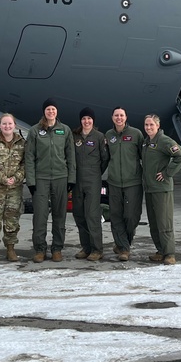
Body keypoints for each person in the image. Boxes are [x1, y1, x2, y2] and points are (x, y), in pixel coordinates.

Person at [24, 98, 75, 262]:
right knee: (40, 216)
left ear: (57, 111)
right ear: (44, 112)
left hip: (61, 178)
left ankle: (57, 248)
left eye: (53, 109)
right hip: (41, 178)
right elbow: (29, 157)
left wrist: (71, 179)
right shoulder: (35, 131)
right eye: (48, 109)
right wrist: (30, 181)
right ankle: (40, 249)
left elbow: (71, 157)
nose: (51, 112)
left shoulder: (65, 130)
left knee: (60, 216)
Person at [141, 114, 181, 265]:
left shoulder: (164, 141)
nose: (148, 127)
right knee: (154, 223)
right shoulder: (146, 142)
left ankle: (169, 253)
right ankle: (160, 250)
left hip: (162, 188)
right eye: (146, 125)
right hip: (150, 188)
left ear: (158, 126)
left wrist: (167, 173)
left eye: (151, 125)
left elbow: (180, 156)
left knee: (164, 223)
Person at [0, 113, 26, 262]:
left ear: (14, 125)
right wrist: (3, 179)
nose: (7, 126)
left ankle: (10, 248)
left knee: (12, 221)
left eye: (10, 124)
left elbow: (25, 164)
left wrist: (16, 178)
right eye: (4, 124)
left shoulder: (22, 143)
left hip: (14, 189)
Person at [104, 106, 144, 262]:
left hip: (132, 181)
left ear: (126, 117)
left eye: (121, 115)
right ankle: (124, 248)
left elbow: (144, 156)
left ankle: (122, 242)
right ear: (112, 117)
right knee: (116, 216)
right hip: (114, 181)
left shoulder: (136, 134)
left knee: (131, 215)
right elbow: (106, 157)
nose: (118, 118)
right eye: (116, 115)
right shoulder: (109, 135)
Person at [71, 107, 109, 261]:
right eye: (84, 119)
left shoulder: (100, 137)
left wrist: (95, 173)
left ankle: (97, 249)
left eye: (89, 119)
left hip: (93, 180)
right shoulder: (75, 137)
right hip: (77, 180)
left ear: (93, 121)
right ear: (81, 121)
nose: (86, 121)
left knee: (92, 215)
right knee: (79, 214)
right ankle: (86, 247)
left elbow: (105, 158)